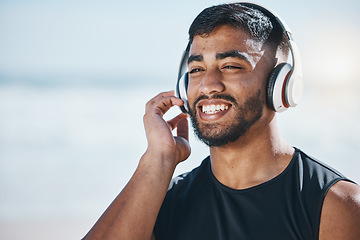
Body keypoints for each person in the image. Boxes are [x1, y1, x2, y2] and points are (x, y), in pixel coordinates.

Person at [83, 2, 360, 240]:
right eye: (196, 69)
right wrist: (158, 160)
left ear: (280, 85)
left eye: (230, 66)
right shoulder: (161, 201)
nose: (207, 85)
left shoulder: (336, 204)